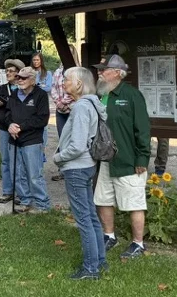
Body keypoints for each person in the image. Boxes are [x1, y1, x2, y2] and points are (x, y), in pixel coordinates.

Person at [93, 54, 152, 259]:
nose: (99, 73)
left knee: (133, 202)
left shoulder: (132, 95)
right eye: (99, 69)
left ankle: (138, 243)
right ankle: (109, 236)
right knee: (102, 199)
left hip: (128, 161)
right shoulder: (102, 94)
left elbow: (143, 129)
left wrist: (142, 158)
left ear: (117, 73)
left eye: (103, 69)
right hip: (106, 161)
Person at [53, 67, 108, 280]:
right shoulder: (92, 103)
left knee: (84, 219)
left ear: (78, 84)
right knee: (91, 216)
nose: (63, 84)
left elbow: (76, 146)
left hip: (76, 167)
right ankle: (99, 261)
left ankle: (90, 269)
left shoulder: (81, 108)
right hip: (87, 166)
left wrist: (58, 158)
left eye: (67, 80)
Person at [4, 67, 52, 213]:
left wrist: (21, 127)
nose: (20, 80)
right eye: (18, 77)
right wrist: (10, 125)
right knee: (18, 174)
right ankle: (25, 200)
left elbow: (42, 118)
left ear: (33, 80)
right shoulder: (13, 94)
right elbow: (6, 114)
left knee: (34, 175)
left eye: (24, 78)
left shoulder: (40, 95)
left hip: (32, 139)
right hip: (14, 139)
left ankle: (42, 204)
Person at [0, 59, 25, 204]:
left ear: (18, 73)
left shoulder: (24, 88)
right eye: (7, 71)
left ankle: (20, 192)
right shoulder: (4, 88)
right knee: (5, 160)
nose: (8, 73)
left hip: (20, 128)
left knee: (19, 161)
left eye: (11, 71)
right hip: (5, 127)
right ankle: (7, 191)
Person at [50, 63, 74, 181]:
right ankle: (62, 170)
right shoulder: (57, 72)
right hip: (60, 110)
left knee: (73, 140)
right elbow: (53, 88)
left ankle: (72, 169)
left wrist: (65, 103)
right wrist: (58, 103)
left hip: (72, 108)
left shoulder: (75, 71)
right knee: (62, 139)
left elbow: (75, 90)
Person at [31, 52, 53, 168]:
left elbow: (49, 87)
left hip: (43, 103)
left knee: (43, 127)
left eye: (37, 60)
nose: (35, 62)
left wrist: (38, 86)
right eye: (34, 60)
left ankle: (42, 150)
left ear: (41, 61)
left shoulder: (47, 73)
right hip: (32, 103)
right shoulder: (30, 72)